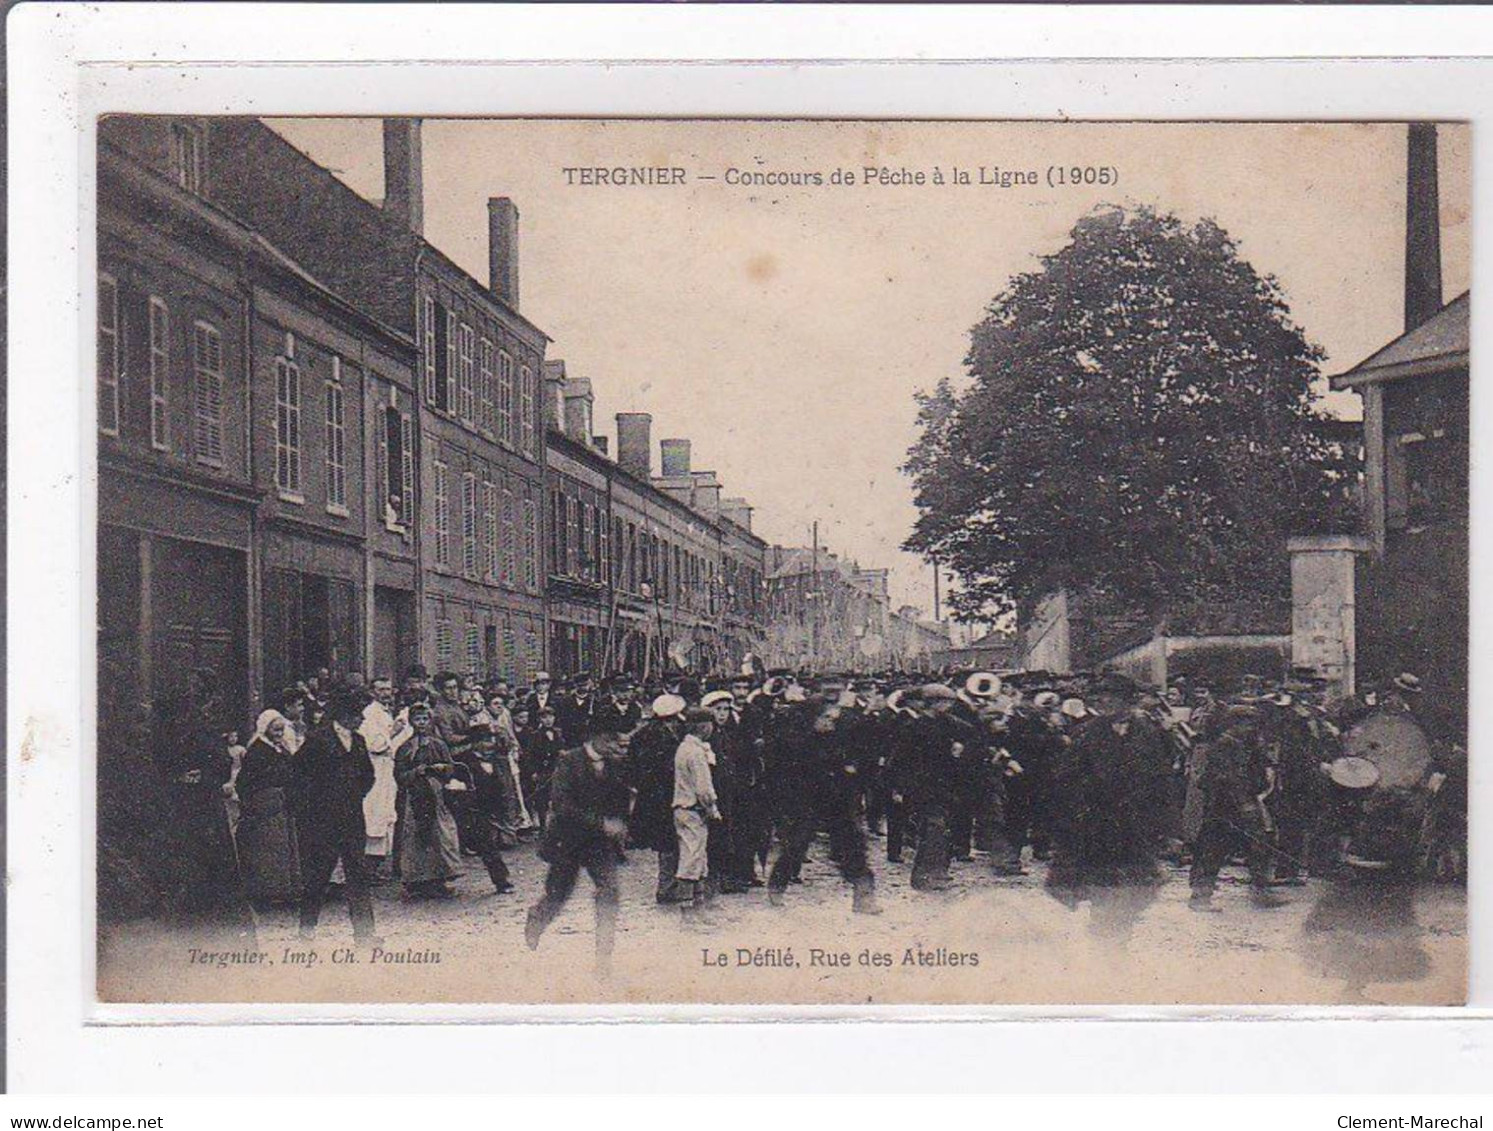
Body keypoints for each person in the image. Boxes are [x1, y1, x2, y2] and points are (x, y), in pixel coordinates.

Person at [524, 717, 634, 977]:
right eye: (611, 740)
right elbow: (561, 805)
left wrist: (624, 812)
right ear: (596, 737)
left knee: (609, 892)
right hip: (568, 841)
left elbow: (619, 798)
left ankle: (603, 959)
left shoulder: (615, 763)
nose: (616, 745)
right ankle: (537, 919)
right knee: (558, 894)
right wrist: (602, 823)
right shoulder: (568, 761)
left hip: (599, 845)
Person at [766, 676, 882, 914]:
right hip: (807, 790)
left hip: (839, 791)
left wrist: (854, 766)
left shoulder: (850, 716)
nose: (832, 693)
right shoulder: (799, 714)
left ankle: (863, 894)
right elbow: (783, 748)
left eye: (836, 688)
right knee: (797, 842)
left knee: (851, 842)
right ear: (816, 689)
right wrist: (813, 733)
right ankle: (778, 885)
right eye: (826, 688)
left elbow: (866, 744)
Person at [291, 687, 379, 945]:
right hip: (323, 821)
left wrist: (352, 796)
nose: (361, 719)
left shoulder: (359, 741)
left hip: (352, 818)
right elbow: (298, 774)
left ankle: (364, 934)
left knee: (358, 875)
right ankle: (306, 931)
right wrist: (316, 806)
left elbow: (368, 775)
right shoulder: (318, 740)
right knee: (318, 876)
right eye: (357, 714)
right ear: (344, 715)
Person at [395, 699, 466, 899]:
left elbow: (451, 766)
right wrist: (417, 771)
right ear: (411, 722)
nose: (422, 723)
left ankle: (441, 878)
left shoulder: (439, 744)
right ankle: (418, 880)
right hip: (415, 795)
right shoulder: (405, 748)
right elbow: (399, 775)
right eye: (418, 719)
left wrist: (443, 769)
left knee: (441, 834)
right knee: (416, 835)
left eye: (425, 719)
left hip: (436, 795)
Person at [234, 708, 302, 908]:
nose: (279, 734)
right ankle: (268, 893)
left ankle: (284, 889)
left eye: (281, 730)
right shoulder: (257, 750)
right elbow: (246, 781)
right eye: (275, 730)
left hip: (281, 802)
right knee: (268, 847)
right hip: (265, 805)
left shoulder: (279, 747)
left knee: (284, 845)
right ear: (265, 729)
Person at [630, 694, 690, 902]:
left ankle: (669, 885)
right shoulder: (657, 736)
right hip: (662, 795)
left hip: (655, 795)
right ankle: (666, 888)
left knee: (668, 841)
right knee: (669, 841)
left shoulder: (643, 734)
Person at [673, 707, 722, 918]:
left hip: (684, 809)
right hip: (692, 809)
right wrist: (713, 809)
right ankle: (688, 912)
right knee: (692, 859)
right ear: (704, 726)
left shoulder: (685, 747)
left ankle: (698, 908)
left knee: (698, 858)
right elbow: (704, 788)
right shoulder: (696, 752)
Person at [359, 676, 408, 872]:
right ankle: (368, 866)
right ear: (372, 692)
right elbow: (374, 744)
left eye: (388, 689)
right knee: (374, 813)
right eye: (380, 689)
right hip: (376, 768)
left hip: (388, 768)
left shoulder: (386, 713)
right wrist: (393, 731)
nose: (385, 693)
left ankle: (377, 865)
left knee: (386, 812)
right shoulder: (369, 714)